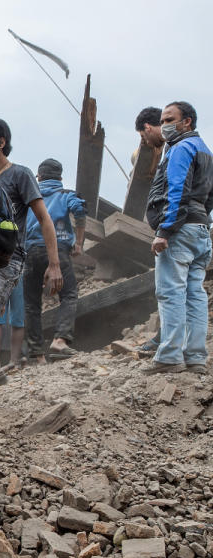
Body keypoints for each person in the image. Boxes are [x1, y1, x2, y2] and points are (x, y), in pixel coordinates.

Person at [0, 117, 63, 410]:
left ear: (0, 144)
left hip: (8, 261)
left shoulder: (19, 175)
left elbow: (44, 219)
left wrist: (54, 263)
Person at [145, 101, 213, 374]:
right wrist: (200, 219)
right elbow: (209, 198)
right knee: (195, 294)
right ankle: (195, 357)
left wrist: (165, 231)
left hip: (180, 231)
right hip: (200, 230)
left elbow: (178, 191)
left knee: (171, 292)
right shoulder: (205, 151)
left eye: (170, 119)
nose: (165, 126)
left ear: (187, 122)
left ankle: (171, 356)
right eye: (163, 121)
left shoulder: (181, 148)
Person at [23, 158, 86, 363]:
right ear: (60, 178)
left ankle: (36, 353)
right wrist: (78, 243)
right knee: (68, 294)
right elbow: (80, 211)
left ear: (38, 177)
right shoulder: (65, 195)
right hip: (58, 250)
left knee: (32, 303)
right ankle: (60, 340)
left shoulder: (29, 197)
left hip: (31, 251)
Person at [135, 107, 167, 356]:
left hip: (172, 229)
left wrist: (164, 231)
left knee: (169, 288)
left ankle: (167, 341)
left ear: (147, 128)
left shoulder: (176, 151)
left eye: (144, 136)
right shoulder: (171, 150)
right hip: (181, 225)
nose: (145, 143)